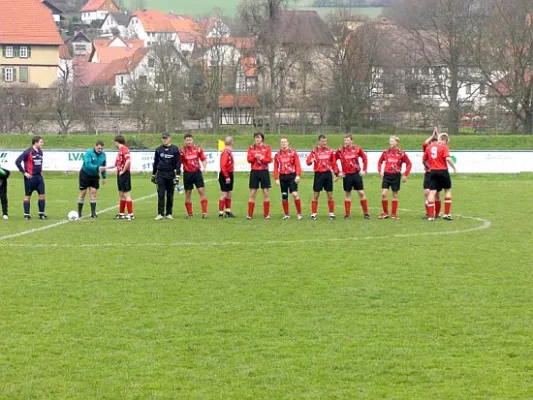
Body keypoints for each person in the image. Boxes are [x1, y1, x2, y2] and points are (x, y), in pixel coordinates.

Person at [335, 134, 370, 220]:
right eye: (345, 140)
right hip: (346, 175)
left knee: (361, 193)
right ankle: (347, 214)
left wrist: (364, 169)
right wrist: (337, 172)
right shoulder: (340, 150)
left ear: (351, 141)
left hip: (356, 174)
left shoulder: (357, 149)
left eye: (347, 140)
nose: (346, 142)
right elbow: (333, 160)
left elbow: (364, 158)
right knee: (347, 194)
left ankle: (366, 213)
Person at [377, 136, 412, 220]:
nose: (390, 143)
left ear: (396, 142)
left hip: (396, 175)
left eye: (392, 141)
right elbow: (379, 161)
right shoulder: (386, 152)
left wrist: (405, 174)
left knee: (395, 194)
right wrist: (380, 171)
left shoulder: (401, 153)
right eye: (390, 141)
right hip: (386, 175)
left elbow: (409, 164)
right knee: (383, 194)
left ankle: (393, 214)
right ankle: (385, 213)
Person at [306, 134, 339, 221]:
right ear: (319, 141)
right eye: (322, 141)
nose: (324, 143)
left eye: (325, 141)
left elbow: (334, 163)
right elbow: (308, 162)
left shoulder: (330, 151)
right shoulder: (314, 151)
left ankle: (331, 214)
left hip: (327, 174)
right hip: (318, 174)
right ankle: (314, 214)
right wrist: (311, 160)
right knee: (316, 194)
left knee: (330, 194)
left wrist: (336, 173)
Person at [425, 133, 457, 221]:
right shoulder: (444, 147)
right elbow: (447, 158)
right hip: (443, 171)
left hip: (433, 172)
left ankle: (431, 216)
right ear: (445, 140)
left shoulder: (429, 147)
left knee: (432, 192)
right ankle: (446, 214)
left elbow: (425, 160)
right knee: (447, 190)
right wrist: (454, 168)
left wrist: (429, 166)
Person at [15, 136, 47, 220]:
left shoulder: (40, 152)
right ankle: (26, 215)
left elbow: (39, 163)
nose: (42, 144)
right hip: (30, 178)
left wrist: (40, 171)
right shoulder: (27, 152)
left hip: (39, 177)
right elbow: (17, 161)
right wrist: (24, 172)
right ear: (35, 143)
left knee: (42, 195)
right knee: (28, 196)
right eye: (41, 142)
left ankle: (41, 214)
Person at [152, 133, 181, 220]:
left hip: (171, 174)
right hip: (161, 174)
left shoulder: (175, 149)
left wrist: (178, 175)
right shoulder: (158, 149)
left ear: (170, 139)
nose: (164, 140)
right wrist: (154, 174)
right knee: (161, 194)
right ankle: (160, 213)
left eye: (166, 138)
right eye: (163, 138)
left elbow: (178, 163)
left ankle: (169, 213)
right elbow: (155, 162)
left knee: (170, 194)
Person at [273, 136, 302, 220]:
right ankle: (286, 214)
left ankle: (299, 213)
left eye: (285, 142)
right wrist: (276, 178)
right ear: (280, 144)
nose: (283, 143)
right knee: (284, 195)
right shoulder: (277, 154)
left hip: (292, 175)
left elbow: (297, 164)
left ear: (288, 143)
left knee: (294, 194)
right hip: (282, 176)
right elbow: (275, 167)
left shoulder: (293, 152)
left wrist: (298, 175)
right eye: (282, 142)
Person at [179, 133, 208, 218]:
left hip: (197, 173)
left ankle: (204, 212)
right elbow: (179, 162)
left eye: (190, 140)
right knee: (188, 193)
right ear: (185, 141)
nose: (189, 142)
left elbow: (203, 159)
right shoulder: (182, 151)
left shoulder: (198, 149)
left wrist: (204, 167)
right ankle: (190, 213)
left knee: (201, 191)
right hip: (187, 174)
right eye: (187, 140)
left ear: (192, 140)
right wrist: (177, 171)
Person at [77, 141, 107, 218]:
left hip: (95, 176)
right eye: (99, 148)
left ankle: (93, 213)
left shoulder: (103, 155)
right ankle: (79, 213)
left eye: (102, 148)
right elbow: (87, 164)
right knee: (83, 193)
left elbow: (103, 166)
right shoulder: (88, 153)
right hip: (85, 174)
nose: (100, 150)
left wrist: (104, 176)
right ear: (95, 146)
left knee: (93, 193)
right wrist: (97, 168)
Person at [246, 132, 272, 219]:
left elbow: (269, 160)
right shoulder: (251, 148)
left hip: (264, 172)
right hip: (254, 172)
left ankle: (266, 214)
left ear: (262, 139)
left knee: (265, 193)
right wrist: (254, 157)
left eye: (259, 138)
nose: (257, 139)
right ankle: (249, 214)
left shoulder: (267, 148)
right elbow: (249, 159)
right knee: (253, 193)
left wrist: (261, 158)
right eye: (256, 138)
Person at [109, 135, 134, 220]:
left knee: (126, 194)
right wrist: (105, 168)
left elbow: (128, 160)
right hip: (120, 174)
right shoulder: (120, 150)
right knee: (121, 194)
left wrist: (123, 171)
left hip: (124, 174)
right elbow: (116, 164)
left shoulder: (124, 149)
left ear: (117, 141)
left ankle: (131, 214)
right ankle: (121, 214)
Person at [422, 127, 441, 219]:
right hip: (428, 173)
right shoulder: (427, 148)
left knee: (437, 194)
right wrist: (433, 135)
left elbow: (442, 142)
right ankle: (428, 213)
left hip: (437, 172)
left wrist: (438, 135)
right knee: (427, 193)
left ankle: (437, 213)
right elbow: (424, 143)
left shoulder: (440, 148)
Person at [218, 136, 235, 218]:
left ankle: (228, 212)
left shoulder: (228, 152)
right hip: (225, 174)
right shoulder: (225, 153)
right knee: (224, 194)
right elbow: (223, 166)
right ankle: (220, 213)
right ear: (232, 143)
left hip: (229, 174)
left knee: (229, 193)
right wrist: (227, 176)